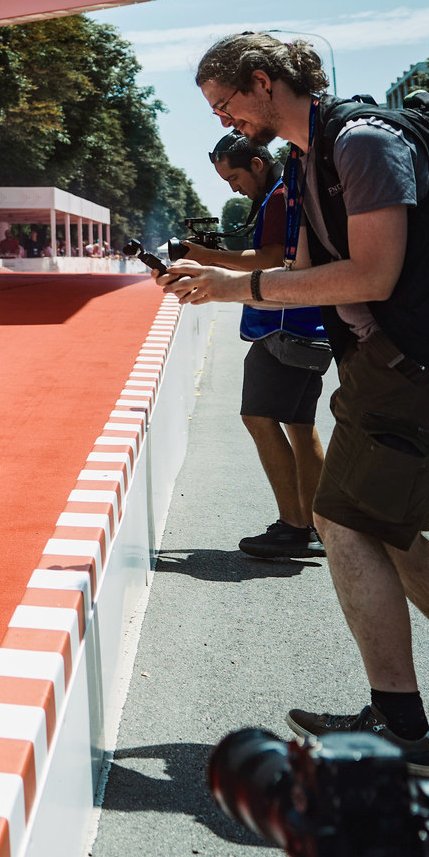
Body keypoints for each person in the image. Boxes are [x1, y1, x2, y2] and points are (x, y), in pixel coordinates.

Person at [162, 30, 429, 774]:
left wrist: (238, 287)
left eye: (225, 102)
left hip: (425, 362)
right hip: (392, 363)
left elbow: (374, 274)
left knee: (343, 523)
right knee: (389, 534)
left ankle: (402, 728)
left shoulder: (362, 143)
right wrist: (217, 277)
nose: (224, 120)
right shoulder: (308, 156)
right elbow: (301, 270)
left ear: (262, 80)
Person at [172, 133, 330, 560]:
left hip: (282, 325)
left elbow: (272, 257)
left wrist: (207, 257)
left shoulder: (279, 195)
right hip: (311, 325)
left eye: (235, 178)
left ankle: (294, 527)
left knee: (258, 417)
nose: (234, 188)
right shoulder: (288, 188)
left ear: (258, 164)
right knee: (300, 425)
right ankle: (318, 527)